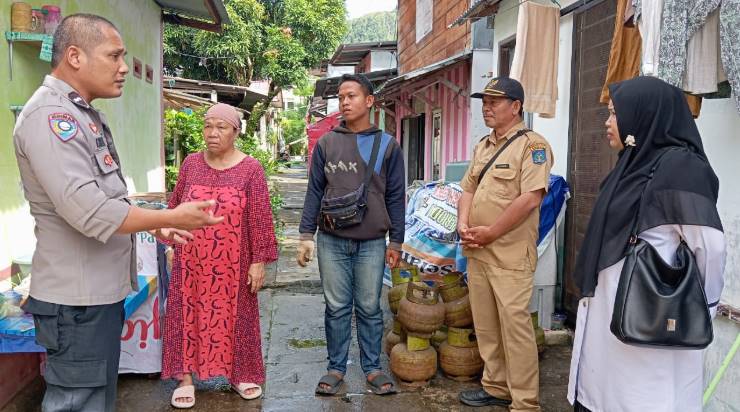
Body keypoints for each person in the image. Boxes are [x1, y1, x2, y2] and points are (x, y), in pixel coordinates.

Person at [13, 14, 221, 412]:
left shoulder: (82, 114)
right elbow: (89, 212)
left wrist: (156, 226)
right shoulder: (51, 119)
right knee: (77, 402)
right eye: (114, 56)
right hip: (76, 303)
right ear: (74, 56)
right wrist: (170, 217)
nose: (124, 67)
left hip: (95, 297)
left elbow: (109, 198)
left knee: (96, 401)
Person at [567, 76, 726, 412]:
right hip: (611, 316)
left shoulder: (681, 168)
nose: (608, 122)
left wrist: (699, 310)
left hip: (655, 322)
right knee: (606, 394)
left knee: (642, 398)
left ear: (643, 115)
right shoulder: (630, 166)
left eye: (614, 114)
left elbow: (709, 248)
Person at [161, 103, 278, 408]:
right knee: (186, 316)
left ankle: (239, 374)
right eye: (207, 126)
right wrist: (171, 246)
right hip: (191, 262)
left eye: (221, 127)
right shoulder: (190, 164)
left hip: (234, 264)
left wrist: (258, 261)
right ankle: (185, 378)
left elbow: (260, 218)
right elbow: (175, 208)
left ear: (236, 132)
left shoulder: (250, 169)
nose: (212, 133)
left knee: (237, 318)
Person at [296, 73, 405, 396]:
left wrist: (396, 240)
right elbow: (314, 191)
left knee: (370, 307)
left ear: (369, 101)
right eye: (341, 97)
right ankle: (336, 368)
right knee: (336, 307)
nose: (345, 102)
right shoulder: (327, 143)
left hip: (372, 241)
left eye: (352, 96)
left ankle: (372, 369)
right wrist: (306, 235)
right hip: (331, 239)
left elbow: (396, 196)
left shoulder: (388, 145)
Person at [457, 77, 553, 411]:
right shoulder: (483, 146)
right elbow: (468, 188)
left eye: (495, 101)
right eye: (485, 101)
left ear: (516, 106)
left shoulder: (533, 146)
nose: (487, 107)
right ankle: (496, 386)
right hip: (478, 250)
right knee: (486, 325)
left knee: (515, 329)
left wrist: (491, 232)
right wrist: (462, 224)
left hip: (509, 255)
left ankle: (525, 402)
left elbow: (530, 198)